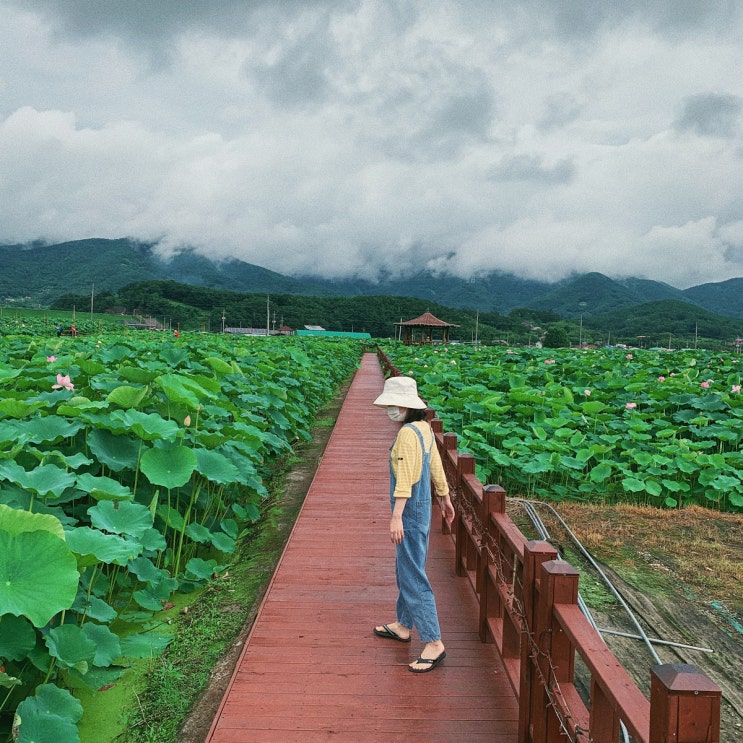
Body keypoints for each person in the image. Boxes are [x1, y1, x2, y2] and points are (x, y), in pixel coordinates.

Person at [372, 375, 455, 673]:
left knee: (412, 573)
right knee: (408, 565)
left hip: (408, 508)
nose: (390, 410)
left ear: (407, 406)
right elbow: (436, 464)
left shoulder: (408, 433)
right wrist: (444, 496)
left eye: (394, 405)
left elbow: (405, 479)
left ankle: (433, 640)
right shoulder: (424, 429)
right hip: (422, 507)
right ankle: (404, 624)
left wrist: (396, 516)